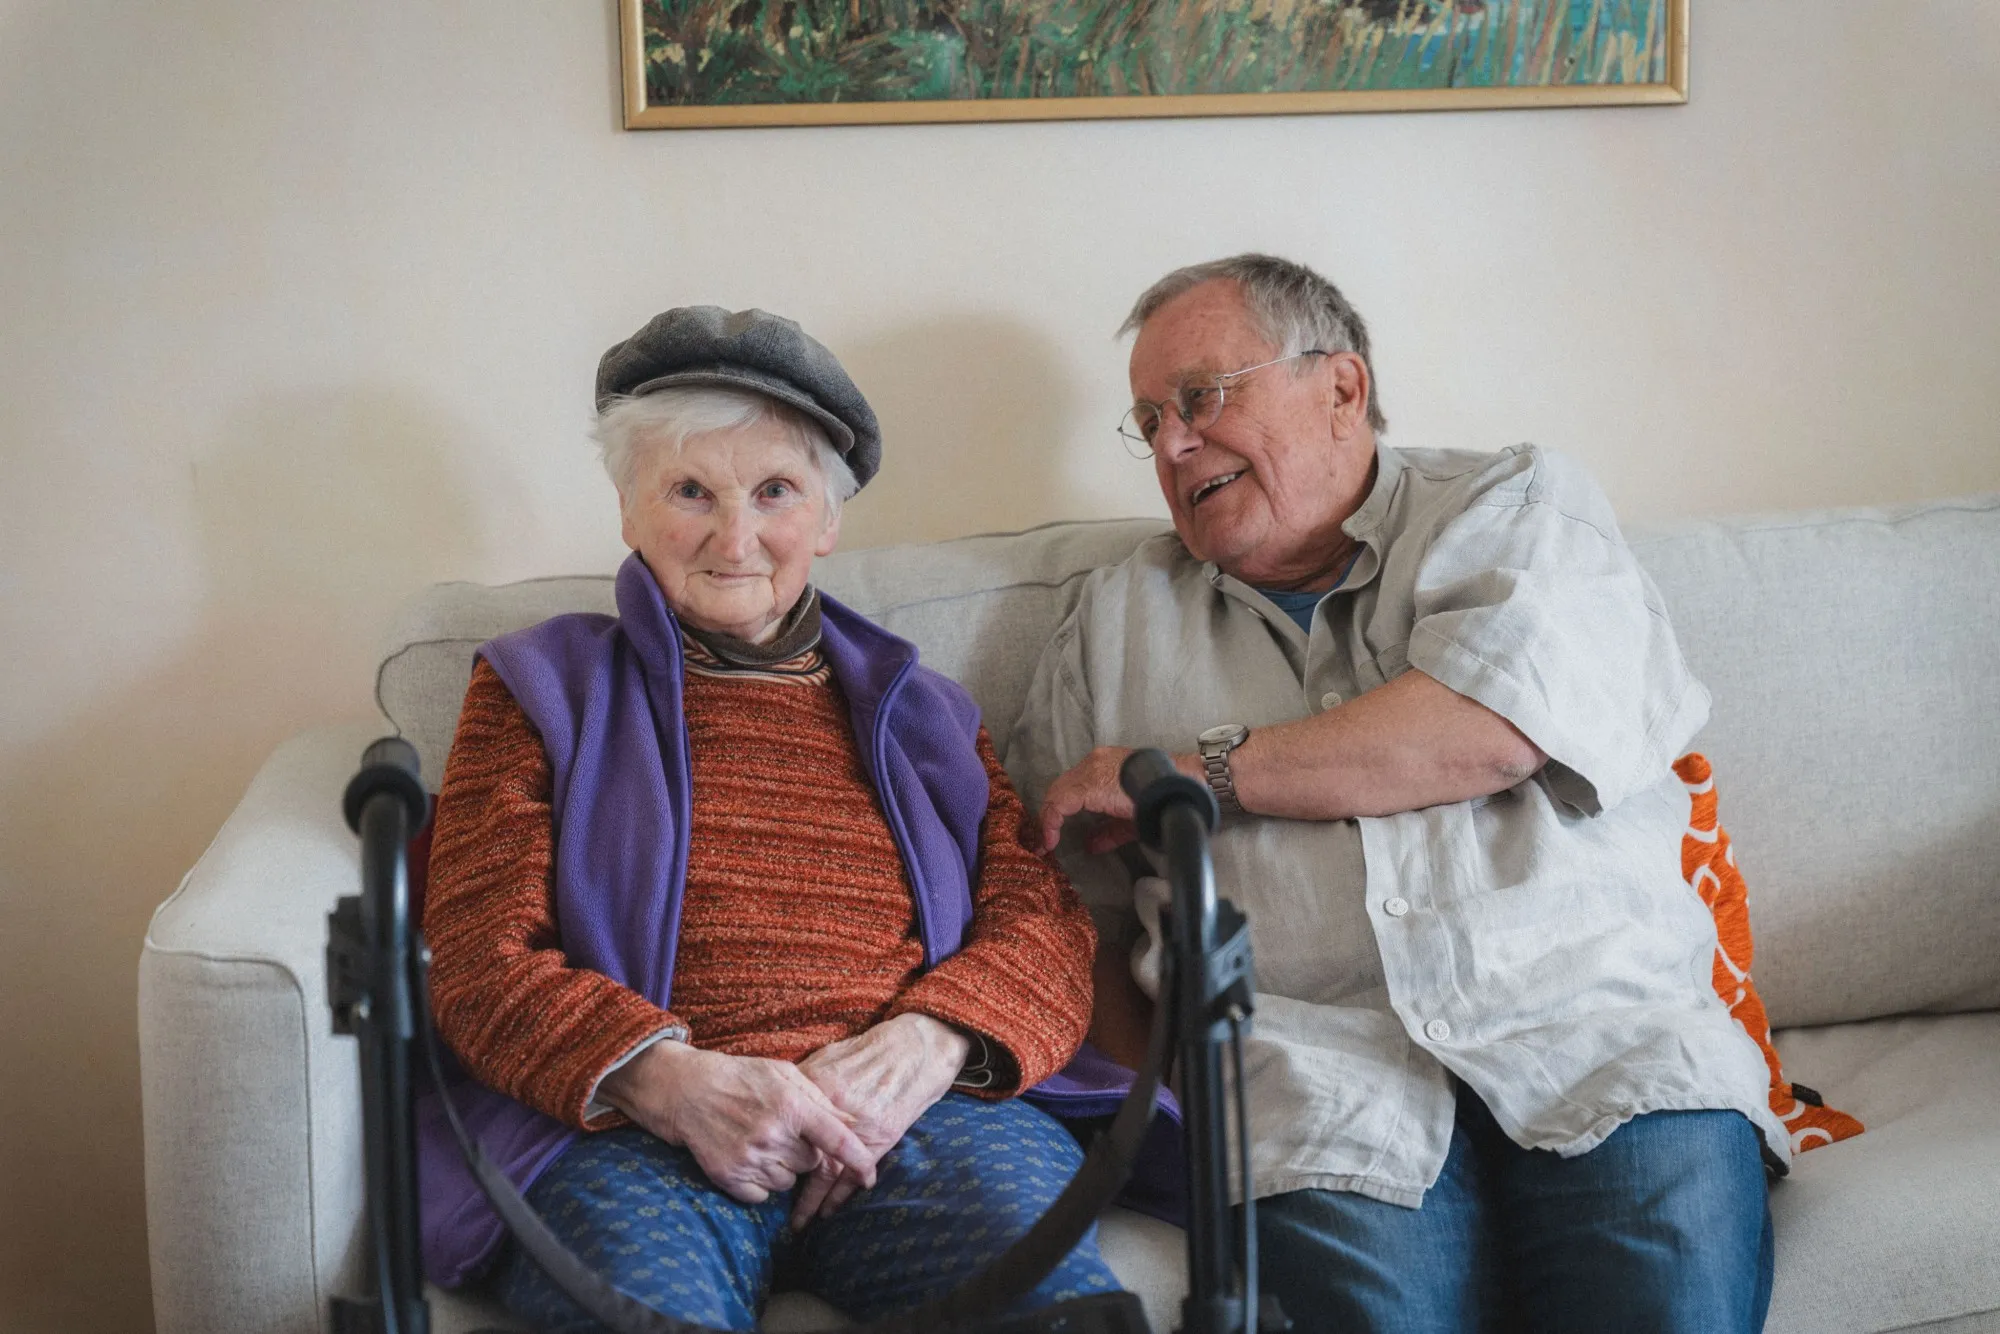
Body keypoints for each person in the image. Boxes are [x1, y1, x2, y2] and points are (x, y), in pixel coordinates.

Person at [1011, 254, 1785, 1333]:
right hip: (1309, 1096)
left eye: (1199, 397)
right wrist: (1171, 1124)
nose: (1171, 445)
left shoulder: (1517, 506)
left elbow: (1485, 731)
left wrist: (1194, 773)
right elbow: (1063, 911)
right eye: (1148, 422)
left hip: (1600, 1044)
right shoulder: (1110, 623)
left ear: (1341, 386)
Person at [415, 306, 1120, 1330]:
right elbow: (476, 952)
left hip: (913, 1123)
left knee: (1057, 1309)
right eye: (690, 491)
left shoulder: (922, 710)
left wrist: (929, 1044)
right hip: (636, 1131)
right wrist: (666, 1080)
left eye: (775, 491)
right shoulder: (539, 685)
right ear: (629, 509)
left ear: (826, 521)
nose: (735, 537)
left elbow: (1044, 922)